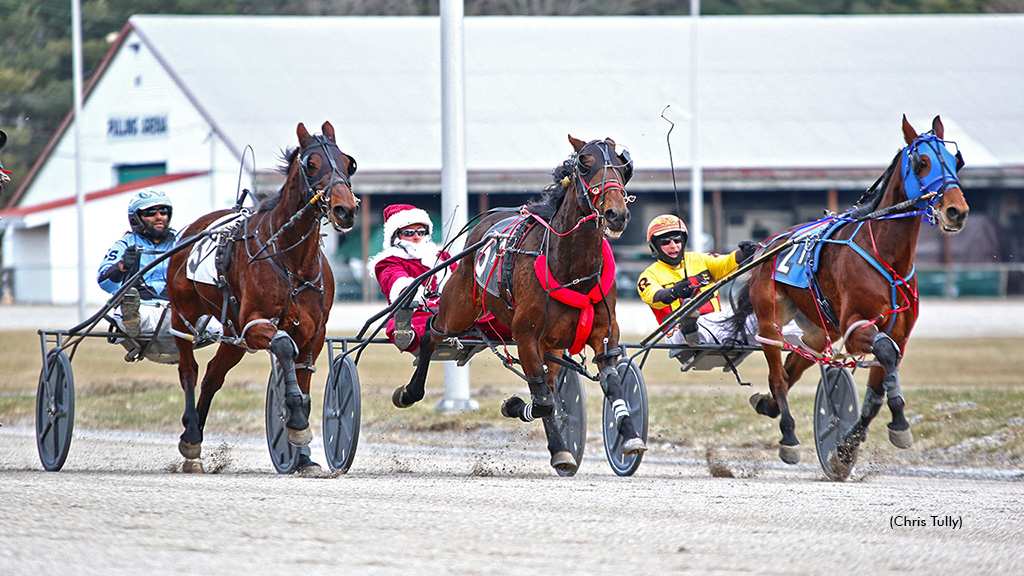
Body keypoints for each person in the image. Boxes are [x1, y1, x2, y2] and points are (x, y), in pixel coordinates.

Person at [637, 214, 802, 346]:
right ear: (655, 246)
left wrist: (742, 255)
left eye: (677, 240)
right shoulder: (649, 275)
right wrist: (674, 293)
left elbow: (724, 263)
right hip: (676, 332)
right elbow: (652, 296)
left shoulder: (699, 259)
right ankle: (689, 324)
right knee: (697, 323)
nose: (673, 246)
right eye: (666, 242)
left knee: (763, 321)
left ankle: (808, 333)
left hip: (718, 323)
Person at [369, 204, 454, 353]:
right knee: (417, 324)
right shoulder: (389, 261)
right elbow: (395, 281)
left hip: (450, 311)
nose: (416, 237)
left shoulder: (441, 257)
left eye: (421, 232)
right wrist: (416, 294)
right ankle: (406, 334)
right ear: (396, 235)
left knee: (489, 318)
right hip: (416, 312)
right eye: (409, 233)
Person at [97, 189, 177, 338]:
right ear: (136, 218)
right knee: (132, 311)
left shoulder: (182, 241)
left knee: (216, 324)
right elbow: (104, 282)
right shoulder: (125, 244)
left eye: (163, 211)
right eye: (151, 212)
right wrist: (121, 267)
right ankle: (132, 320)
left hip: (179, 311)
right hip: (143, 307)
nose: (159, 217)